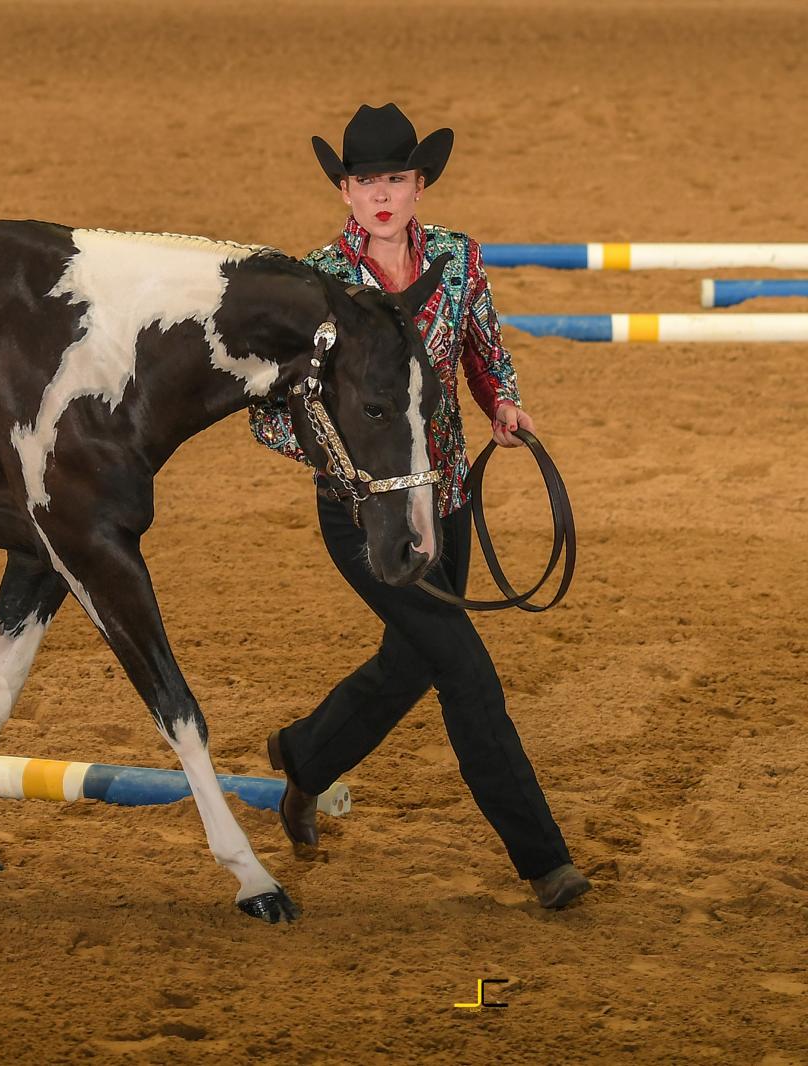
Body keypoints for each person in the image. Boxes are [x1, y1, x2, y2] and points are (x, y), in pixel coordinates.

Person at [249, 103, 590, 909]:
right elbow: (270, 412)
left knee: (413, 662)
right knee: (465, 670)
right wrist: (348, 462)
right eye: (366, 180)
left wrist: (503, 404)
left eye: (395, 179)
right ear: (344, 188)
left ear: (419, 183)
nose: (381, 194)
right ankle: (545, 862)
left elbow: (484, 351)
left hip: (450, 500)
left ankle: (305, 759)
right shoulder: (315, 282)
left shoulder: (459, 259)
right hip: (364, 515)